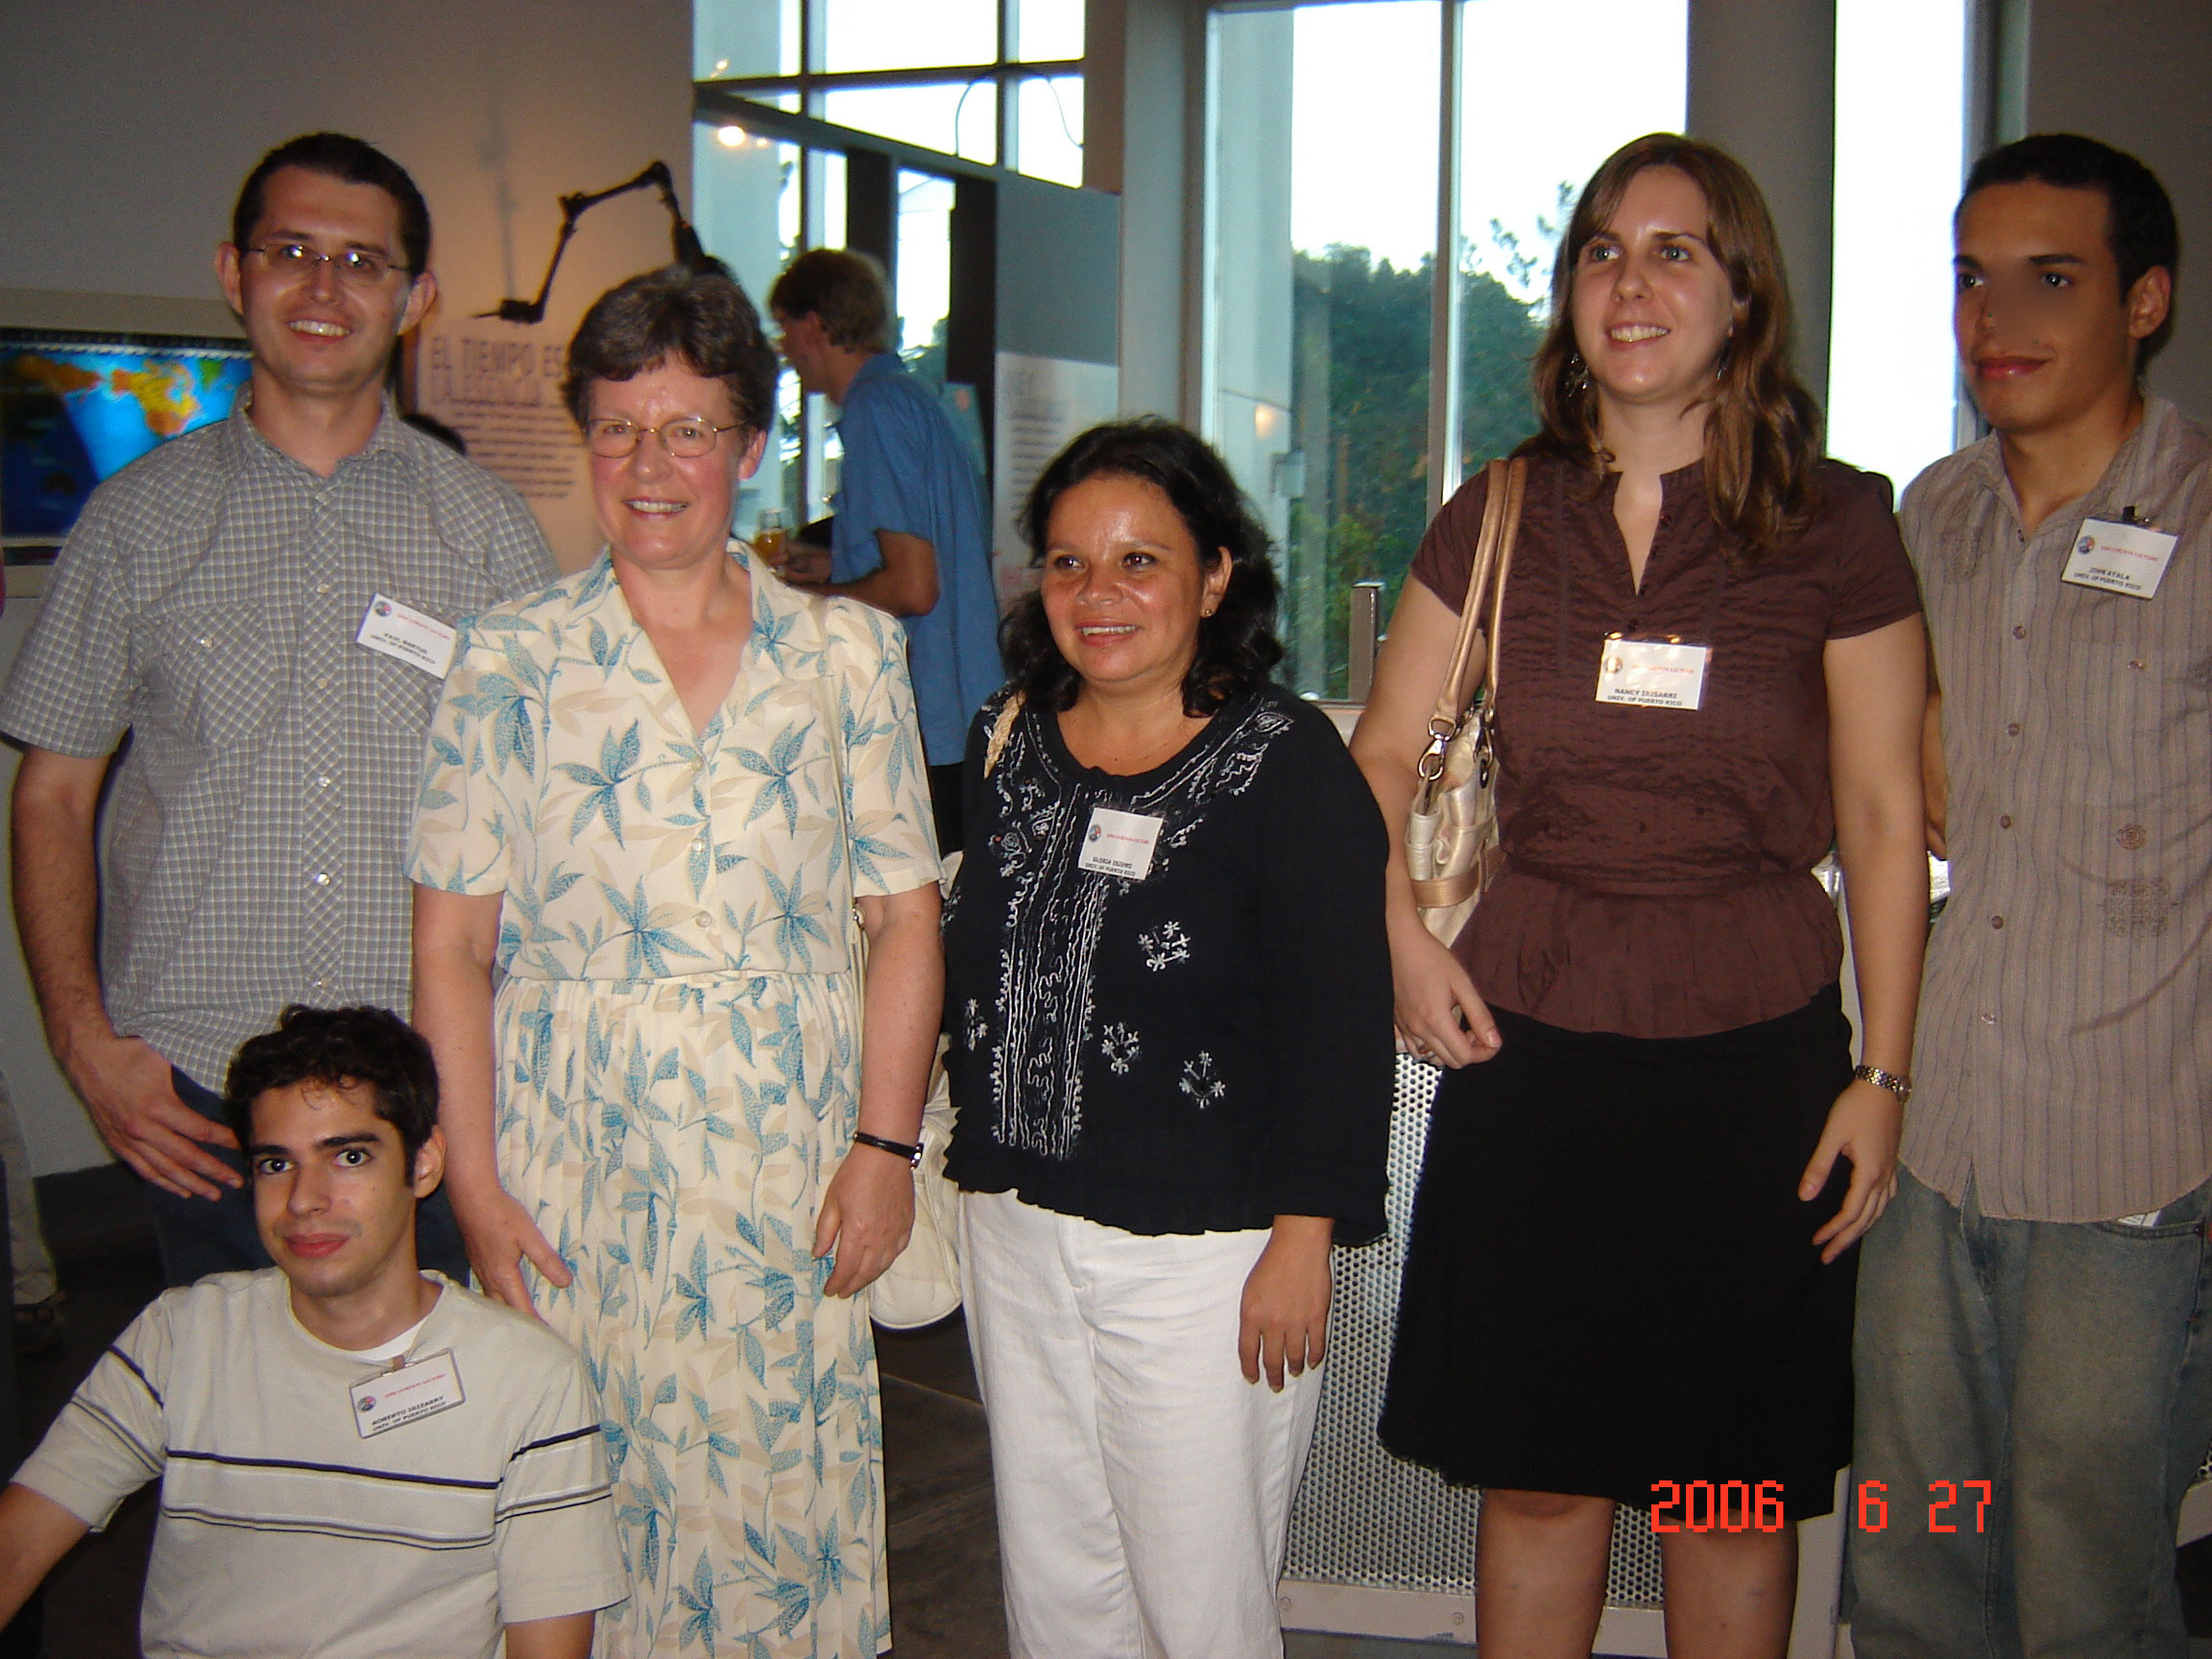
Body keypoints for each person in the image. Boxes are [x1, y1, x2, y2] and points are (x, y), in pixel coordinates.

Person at [1351, 132, 1929, 1657]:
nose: (1632, 279)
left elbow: (1879, 816)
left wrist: (1883, 1071)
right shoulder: (1497, 515)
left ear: (1745, 298)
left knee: (1726, 1493)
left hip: (1757, 1053)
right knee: (1537, 1481)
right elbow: (1374, 760)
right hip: (1531, 1038)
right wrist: (1398, 936)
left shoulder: (1840, 524)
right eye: (1603, 247)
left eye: (1677, 250)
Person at [409, 260, 943, 1658]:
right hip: (571, 1169)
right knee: (580, 1516)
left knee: (783, 1517)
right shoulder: (508, 658)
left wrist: (885, 1148)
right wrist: (471, 1179)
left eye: (689, 429)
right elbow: (453, 945)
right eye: (618, 428)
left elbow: (904, 919)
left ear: (750, 447)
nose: (651, 465)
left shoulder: (845, 656)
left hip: (789, 1168)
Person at [1, 132, 556, 1287]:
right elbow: (52, 793)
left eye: (362, 262)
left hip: (434, 1090)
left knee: (429, 1435)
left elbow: (546, 814)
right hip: (206, 1104)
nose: (322, 287)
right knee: (235, 1442)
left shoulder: (487, 533)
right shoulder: (135, 524)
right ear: (232, 272)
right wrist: (82, 1042)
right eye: (291, 250)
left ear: (416, 298)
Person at [942, 419, 1396, 1659]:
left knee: (1201, 1600)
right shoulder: (1009, 740)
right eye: (1070, 562)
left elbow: (1341, 1015)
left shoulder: (1283, 761)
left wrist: (1307, 1237)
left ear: (1214, 576)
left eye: (1141, 561)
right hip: (1020, 1228)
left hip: (1207, 1257)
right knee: (1058, 1584)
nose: (1100, 594)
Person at [1849, 133, 2212, 1659]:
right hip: (1933, 1139)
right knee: (1914, 1552)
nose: (1997, 314)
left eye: (2049, 278)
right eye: (1972, 278)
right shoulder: (1924, 520)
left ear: (2144, 301)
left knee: (2085, 1579)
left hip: (2131, 1160)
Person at [0, 1003, 625, 1658]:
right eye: (276, 1164)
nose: (304, 1199)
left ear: (422, 1164)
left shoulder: (527, 1380)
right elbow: (18, 1543)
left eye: (348, 1156)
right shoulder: (184, 1337)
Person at [766, 247, 1002, 853]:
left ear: (814, 324)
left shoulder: (873, 409)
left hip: (925, 715)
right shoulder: (914, 397)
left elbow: (912, 587)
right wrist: (830, 564)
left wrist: (809, 598)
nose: (785, 348)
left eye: (786, 328)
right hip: (963, 709)